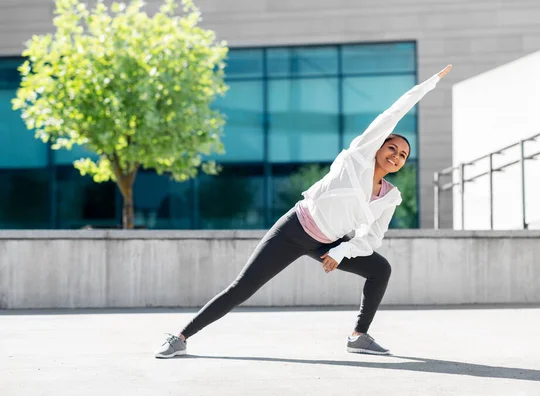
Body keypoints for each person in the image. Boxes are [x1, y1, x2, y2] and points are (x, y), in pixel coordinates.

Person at [155, 64, 453, 358]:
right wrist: (427, 85)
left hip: (328, 242)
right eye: (392, 148)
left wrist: (340, 251)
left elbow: (372, 238)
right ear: (378, 146)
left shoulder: (390, 197)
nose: (396, 156)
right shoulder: (357, 158)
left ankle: (358, 336)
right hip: (295, 228)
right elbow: (392, 114)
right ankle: (180, 337)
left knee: (380, 268)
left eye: (403, 156)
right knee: (242, 288)